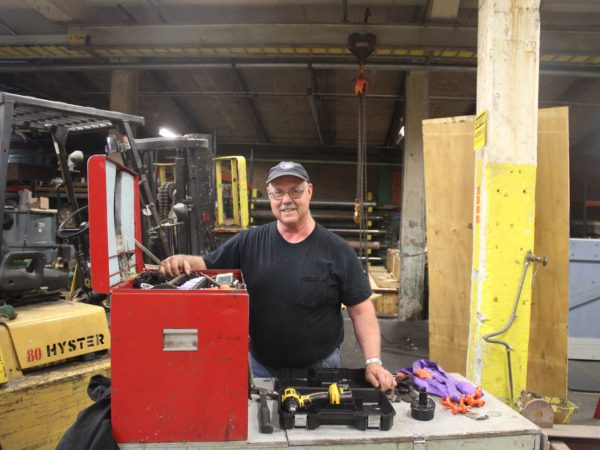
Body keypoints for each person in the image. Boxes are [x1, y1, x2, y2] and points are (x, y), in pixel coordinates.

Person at [160, 161, 396, 392]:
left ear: (309, 192)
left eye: (295, 191)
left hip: (320, 367)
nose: (286, 200)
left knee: (313, 427)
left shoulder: (337, 250)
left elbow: (361, 309)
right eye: (277, 193)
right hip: (262, 366)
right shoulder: (249, 242)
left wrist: (373, 361)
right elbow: (206, 264)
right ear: (270, 196)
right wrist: (183, 261)